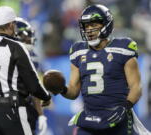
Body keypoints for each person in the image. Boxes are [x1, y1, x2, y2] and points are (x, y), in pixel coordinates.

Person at [49, 4, 142, 135]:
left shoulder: (123, 48)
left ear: (106, 24)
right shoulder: (78, 51)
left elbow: (136, 87)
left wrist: (124, 107)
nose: (89, 29)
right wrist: (61, 89)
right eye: (87, 26)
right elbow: (73, 91)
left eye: (93, 25)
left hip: (116, 116)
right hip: (89, 117)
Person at [0, 6, 51, 135]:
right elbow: (32, 84)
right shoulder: (15, 47)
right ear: (10, 25)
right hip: (13, 111)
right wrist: (46, 96)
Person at [15, 17, 48, 135]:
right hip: (20, 109)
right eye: (25, 36)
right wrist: (41, 115)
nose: (29, 39)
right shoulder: (28, 56)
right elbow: (33, 89)